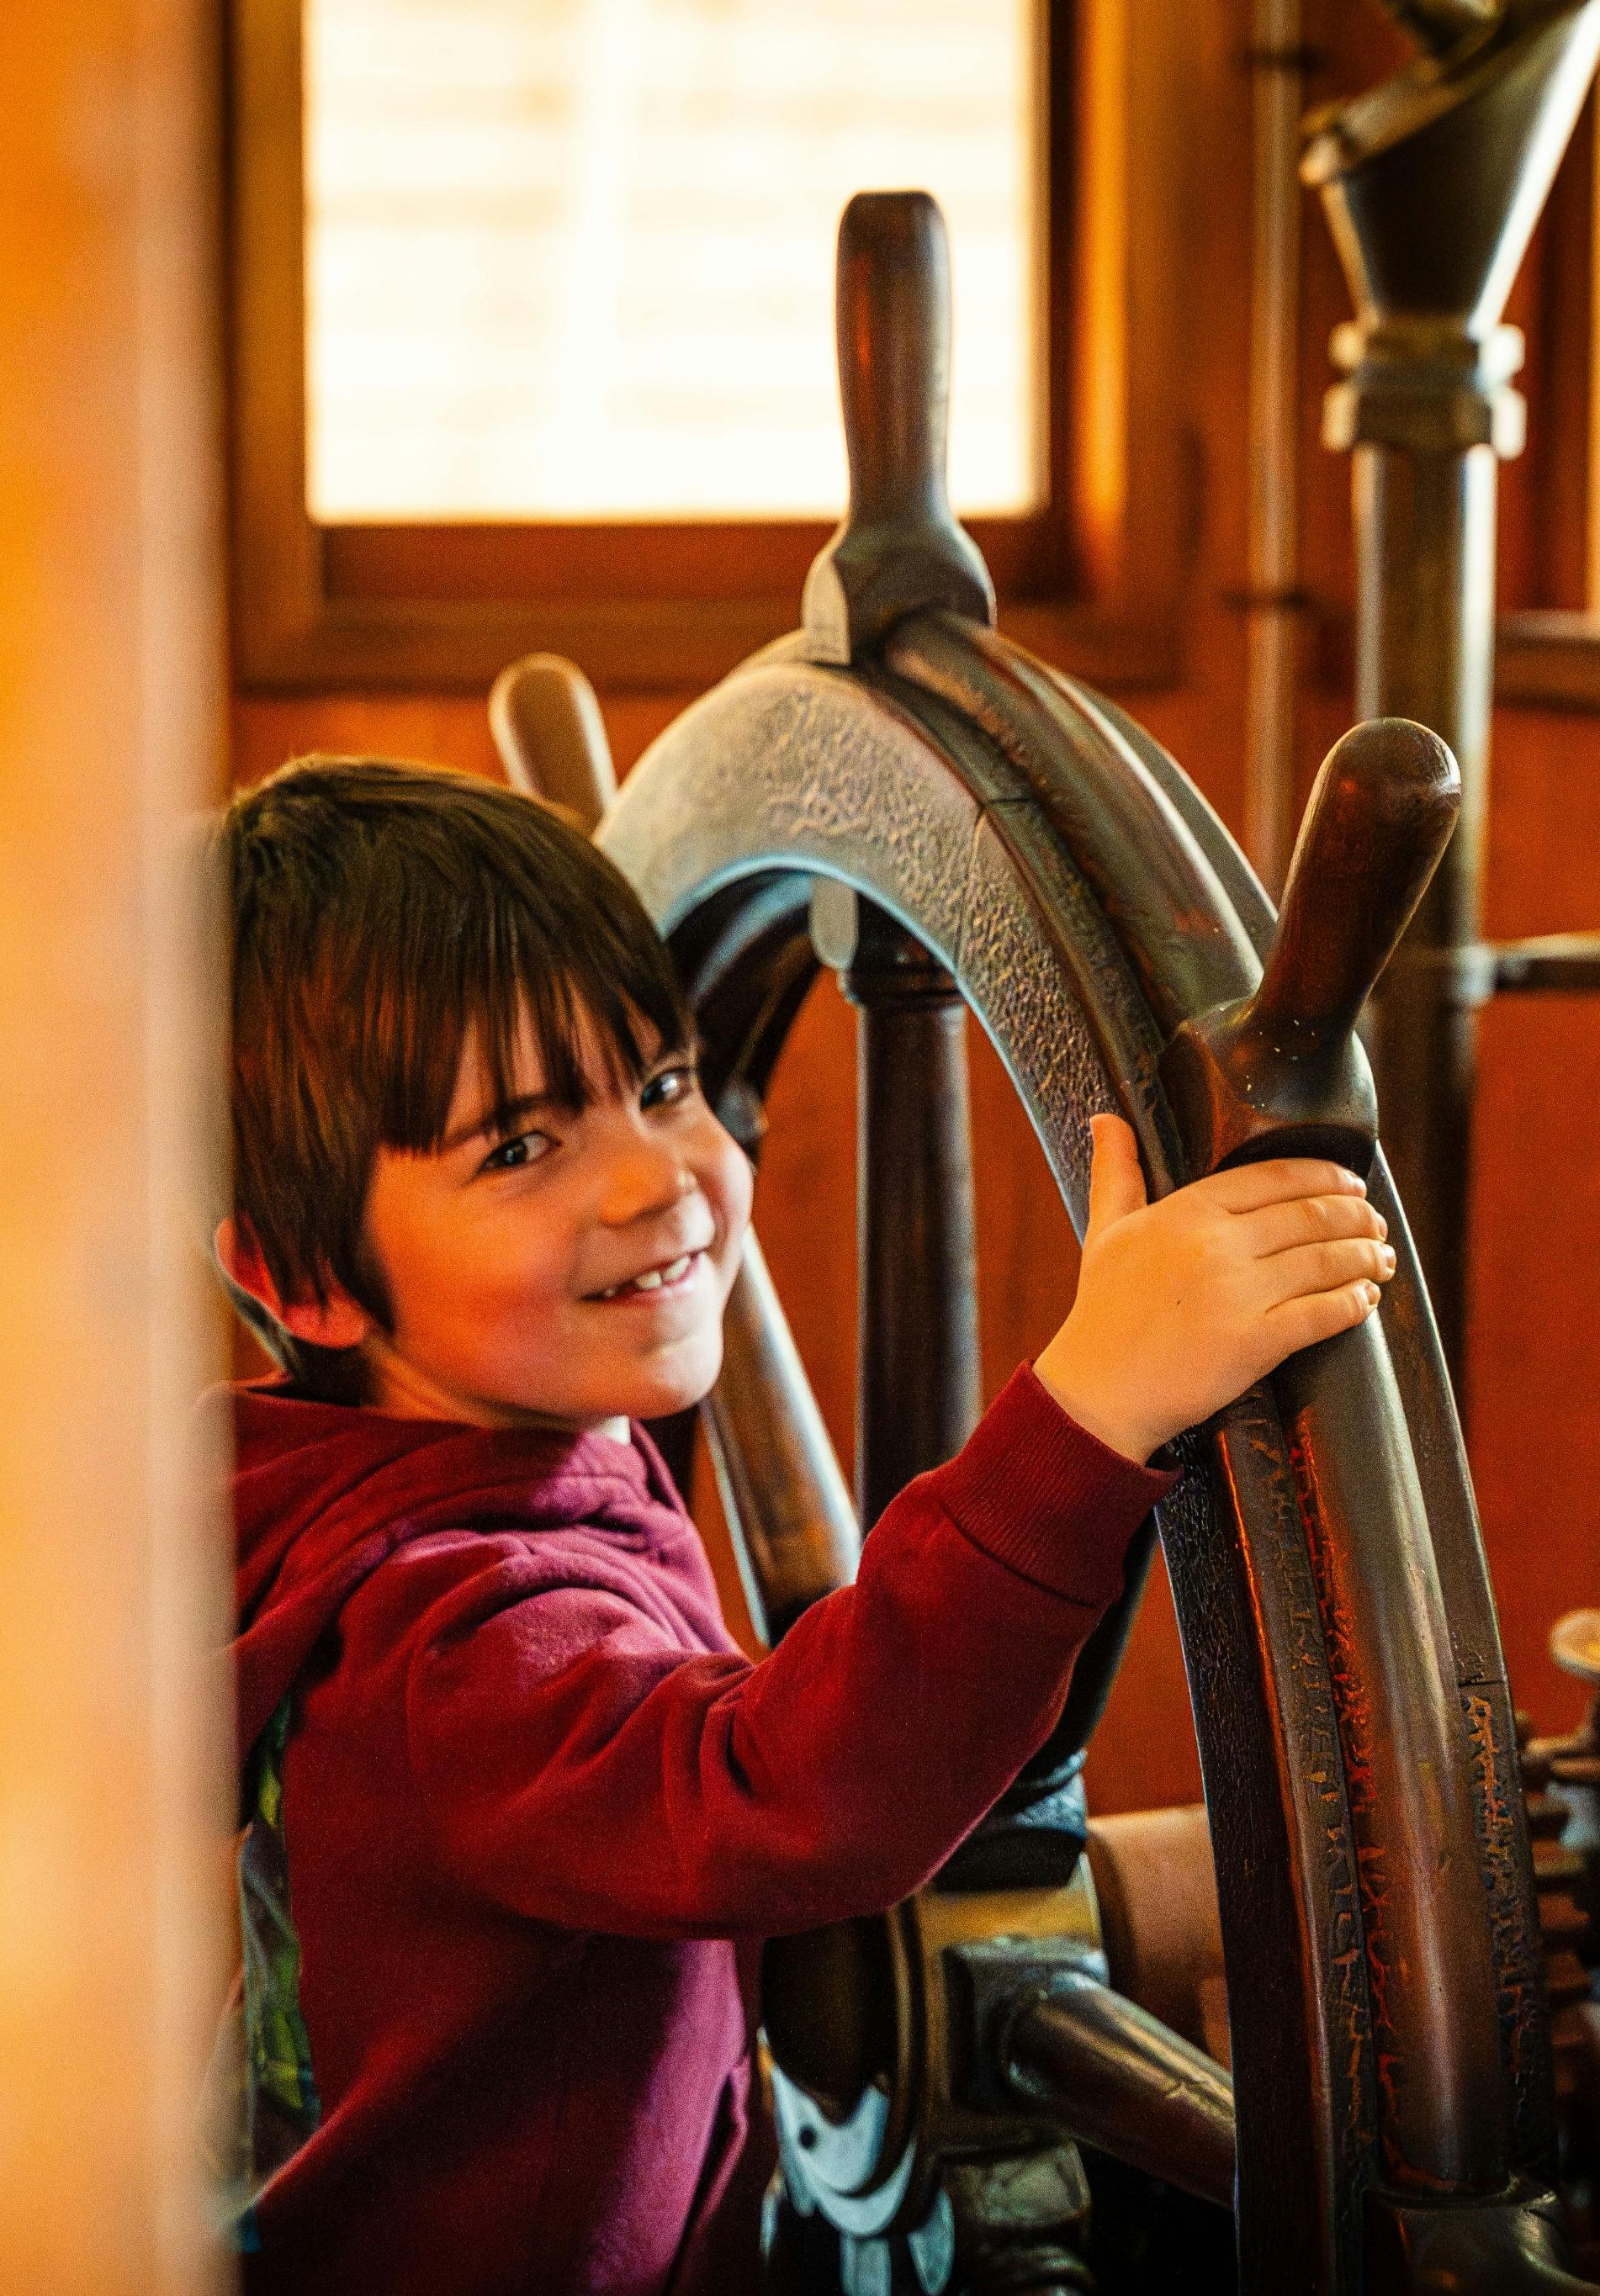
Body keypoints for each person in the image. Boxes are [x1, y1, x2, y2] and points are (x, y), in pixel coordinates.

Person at [214, 757, 1395, 2295]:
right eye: (520, 1146)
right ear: (300, 1282)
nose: (661, 1177)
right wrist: (1098, 1401)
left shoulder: (388, 1475)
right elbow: (774, 1787)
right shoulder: (442, 1646)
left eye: (662, 1085)